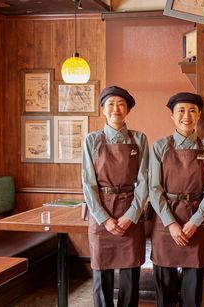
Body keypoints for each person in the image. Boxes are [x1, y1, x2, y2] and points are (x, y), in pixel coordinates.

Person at [149, 92, 204, 307]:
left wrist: (195, 221)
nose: (186, 116)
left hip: (196, 221)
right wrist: (171, 224)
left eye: (192, 111)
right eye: (181, 110)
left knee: (193, 288)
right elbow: (153, 188)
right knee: (165, 285)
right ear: (172, 115)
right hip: (165, 221)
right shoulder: (159, 146)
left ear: (199, 115)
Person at [82, 86, 149, 307]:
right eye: (110, 104)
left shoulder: (139, 139)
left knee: (131, 271)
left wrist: (132, 214)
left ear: (128, 110)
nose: (116, 109)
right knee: (102, 272)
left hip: (131, 209)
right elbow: (88, 183)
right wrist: (105, 219)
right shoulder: (91, 140)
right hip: (101, 211)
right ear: (103, 109)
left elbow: (144, 181)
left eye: (121, 104)